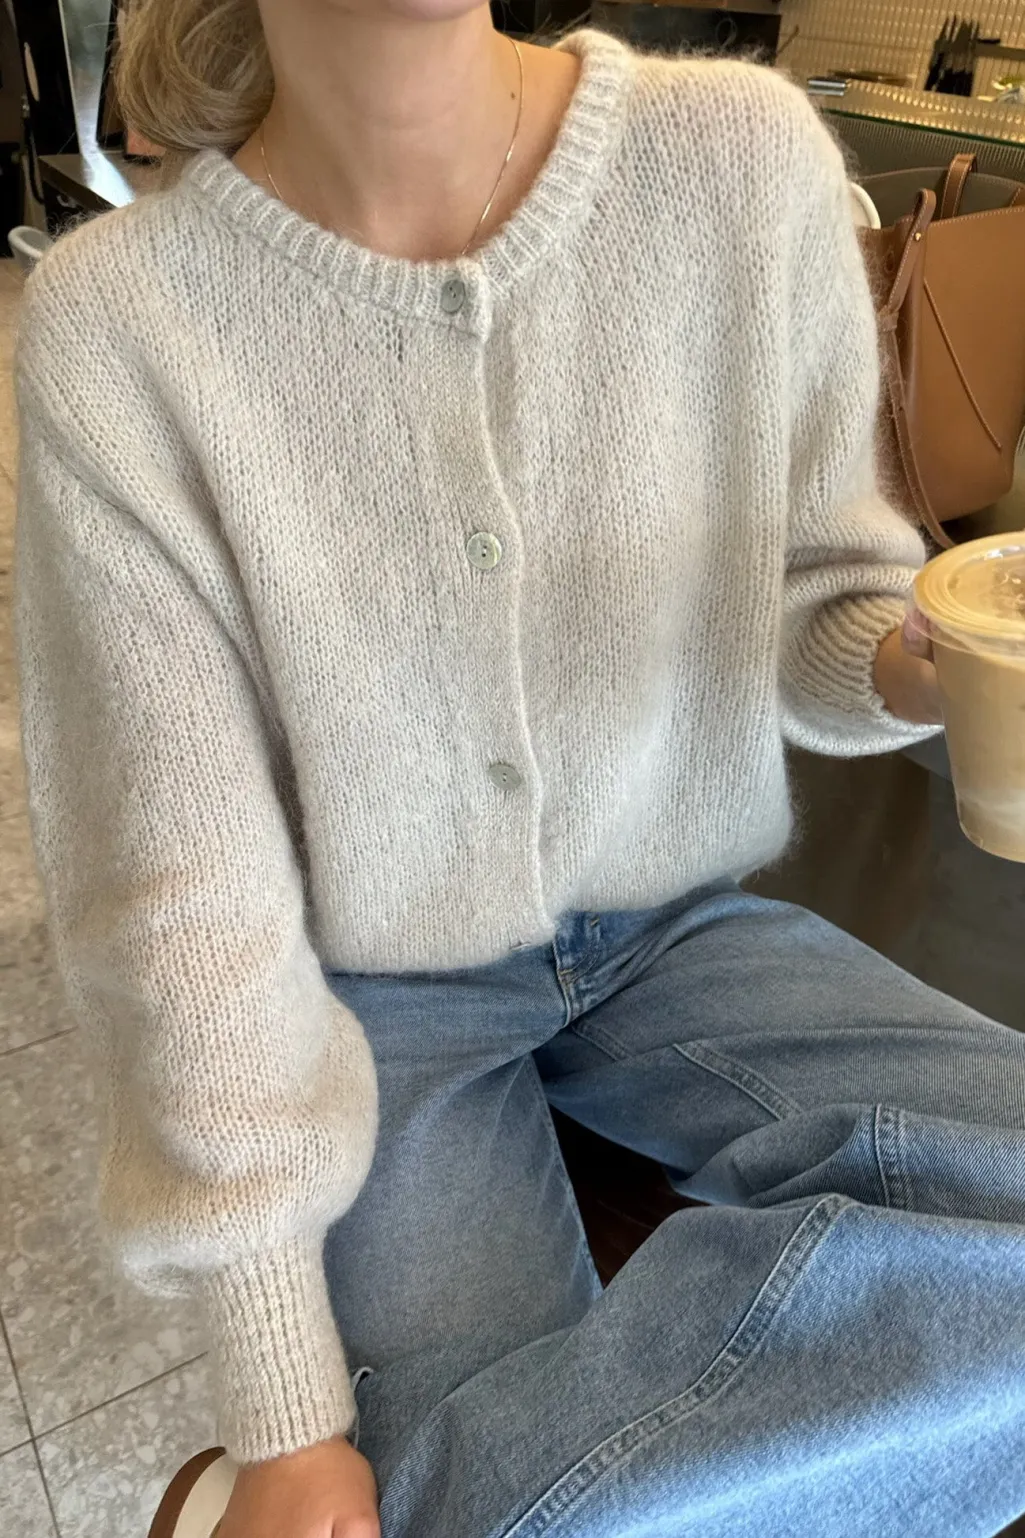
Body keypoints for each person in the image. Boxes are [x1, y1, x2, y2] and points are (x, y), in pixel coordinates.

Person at [13, 1, 1025, 1535]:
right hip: (377, 1004)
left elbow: (825, 598)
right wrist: (285, 1412)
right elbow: (177, 895)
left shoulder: (736, 162)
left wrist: (920, 661)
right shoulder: (126, 324)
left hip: (678, 932)